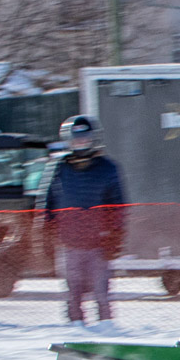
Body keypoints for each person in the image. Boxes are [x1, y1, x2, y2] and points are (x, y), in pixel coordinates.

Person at [45, 115, 126, 327]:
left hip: (98, 243)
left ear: (93, 138)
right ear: (68, 140)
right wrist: (45, 236)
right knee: (73, 293)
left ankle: (106, 328)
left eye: (85, 138)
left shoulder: (108, 168)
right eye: (76, 139)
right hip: (69, 242)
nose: (81, 143)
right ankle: (75, 328)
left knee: (101, 292)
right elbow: (47, 204)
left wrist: (115, 236)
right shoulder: (58, 168)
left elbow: (118, 206)